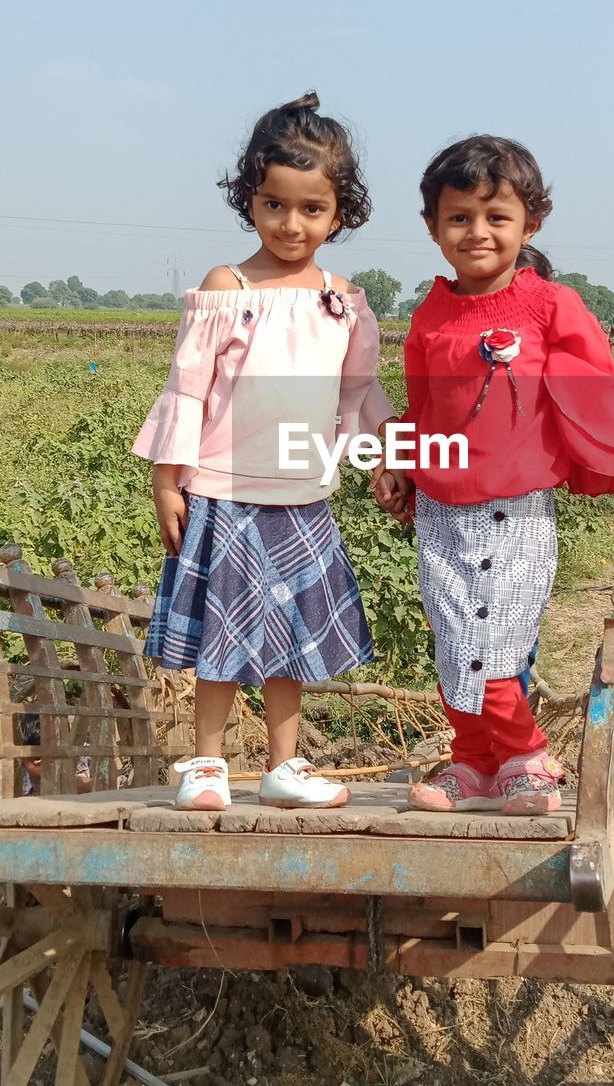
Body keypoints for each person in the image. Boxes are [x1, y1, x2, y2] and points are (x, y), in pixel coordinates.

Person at [378, 135, 614, 815]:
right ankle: (471, 763)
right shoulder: (429, 316)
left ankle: (527, 761)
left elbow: (598, 390)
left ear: (530, 224)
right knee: (453, 643)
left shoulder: (550, 307)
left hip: (517, 513)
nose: (478, 232)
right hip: (442, 511)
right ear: (433, 227)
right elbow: (421, 406)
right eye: (459, 217)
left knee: (494, 645)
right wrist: (401, 464)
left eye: (497, 217)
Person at [134, 92, 395, 812]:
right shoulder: (230, 288)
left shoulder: (343, 302)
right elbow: (187, 390)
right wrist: (167, 479)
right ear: (250, 198)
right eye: (275, 204)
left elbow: (361, 396)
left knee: (291, 642)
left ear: (341, 211)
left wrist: (392, 455)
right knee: (221, 639)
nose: (291, 223)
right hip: (221, 489)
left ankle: (285, 766)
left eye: (312, 209)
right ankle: (209, 764)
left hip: (302, 495)